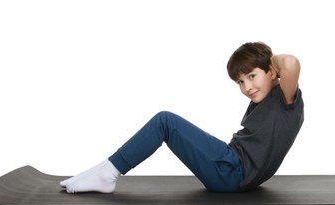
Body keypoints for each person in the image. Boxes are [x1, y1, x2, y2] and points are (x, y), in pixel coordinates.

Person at [60, 42, 304, 193]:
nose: (247, 86)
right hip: (230, 166)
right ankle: (103, 169)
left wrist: (269, 61)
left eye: (252, 76)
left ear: (273, 72)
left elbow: (291, 62)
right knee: (168, 122)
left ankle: (107, 174)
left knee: (165, 121)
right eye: (240, 81)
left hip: (232, 173)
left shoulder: (286, 100)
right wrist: (262, 70)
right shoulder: (266, 100)